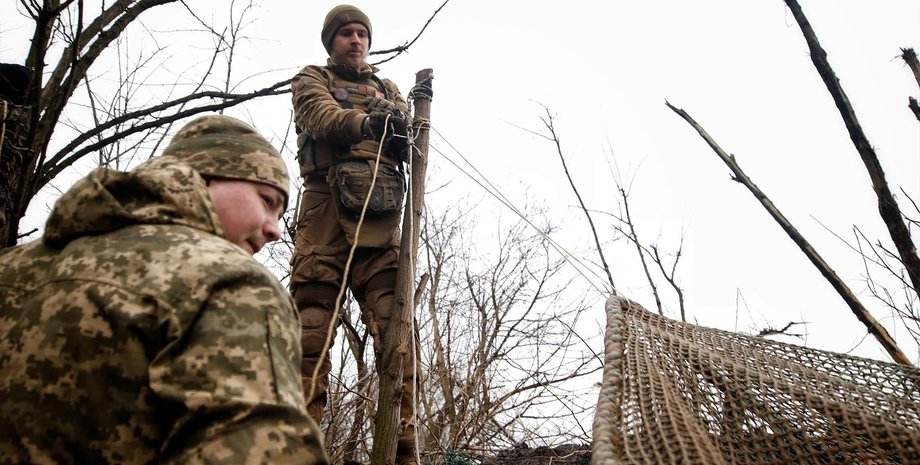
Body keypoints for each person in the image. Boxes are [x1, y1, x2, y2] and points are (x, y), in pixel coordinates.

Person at [0, 115, 328, 465]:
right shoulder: (227, 278)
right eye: (267, 201)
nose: (274, 229)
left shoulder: (12, 265)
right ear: (204, 178)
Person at [289, 4, 419, 464]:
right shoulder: (312, 78)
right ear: (332, 42)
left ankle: (404, 444)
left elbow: (412, 141)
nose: (356, 40)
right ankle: (300, 449)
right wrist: (367, 123)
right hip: (324, 215)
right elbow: (320, 117)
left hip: (381, 220)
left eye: (362, 33)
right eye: (346, 33)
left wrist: (405, 122)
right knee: (309, 336)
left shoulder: (388, 89)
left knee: (396, 334)